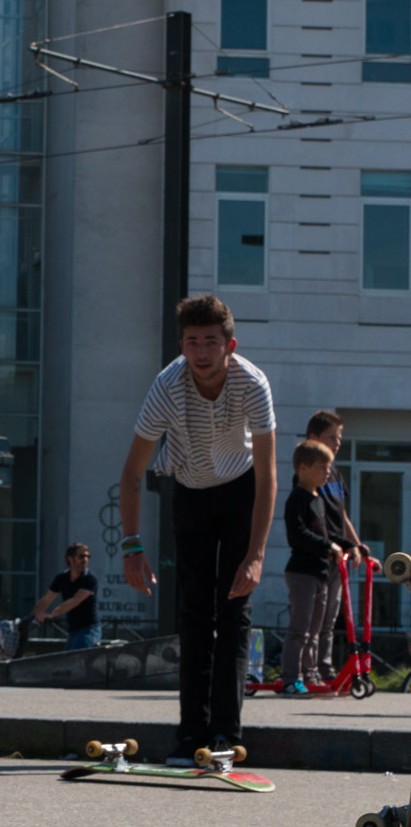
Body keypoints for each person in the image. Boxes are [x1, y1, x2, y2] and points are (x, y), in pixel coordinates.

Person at [119, 294, 277, 767]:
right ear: (183, 346)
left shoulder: (253, 383)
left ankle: (225, 734)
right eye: (192, 343)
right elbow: (131, 473)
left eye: (211, 342)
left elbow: (269, 475)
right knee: (193, 613)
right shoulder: (167, 386)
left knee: (233, 611)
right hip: (188, 489)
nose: (202, 353)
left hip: (242, 488)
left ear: (230, 344)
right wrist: (132, 546)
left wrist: (256, 554)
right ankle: (190, 736)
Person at [303, 410, 369, 683]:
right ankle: (308, 672)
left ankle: (325, 669)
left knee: (330, 619)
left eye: (339, 438)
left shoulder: (335, 476)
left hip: (338, 558)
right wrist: (333, 545)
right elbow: (316, 519)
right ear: (314, 439)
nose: (338, 443)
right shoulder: (309, 476)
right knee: (313, 621)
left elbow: (341, 517)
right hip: (319, 558)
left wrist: (357, 546)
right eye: (332, 438)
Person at [281, 439, 341, 695]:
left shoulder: (319, 499)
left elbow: (328, 534)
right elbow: (298, 534)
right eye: (321, 467)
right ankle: (291, 679)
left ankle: (310, 676)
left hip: (321, 573)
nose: (327, 472)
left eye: (328, 467)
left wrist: (351, 547)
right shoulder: (297, 498)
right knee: (300, 630)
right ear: (302, 468)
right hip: (302, 573)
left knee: (315, 630)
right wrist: (329, 547)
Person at [31, 543, 101, 650]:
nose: (85, 559)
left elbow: (74, 601)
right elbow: (47, 598)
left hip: (89, 630)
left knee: (75, 661)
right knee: (67, 662)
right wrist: (33, 616)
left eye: (88, 556)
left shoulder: (90, 579)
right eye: (81, 556)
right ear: (70, 559)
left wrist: (51, 615)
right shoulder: (62, 578)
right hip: (73, 630)